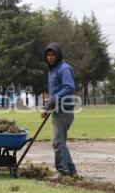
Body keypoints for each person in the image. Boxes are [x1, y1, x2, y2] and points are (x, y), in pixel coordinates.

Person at [42, 42, 77, 178]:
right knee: (61, 142)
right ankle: (72, 171)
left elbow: (69, 87)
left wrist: (55, 98)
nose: (50, 57)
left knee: (57, 142)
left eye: (53, 55)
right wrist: (46, 108)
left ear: (58, 55)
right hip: (57, 111)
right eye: (48, 55)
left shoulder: (64, 68)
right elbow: (53, 94)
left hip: (64, 111)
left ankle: (62, 172)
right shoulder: (52, 71)